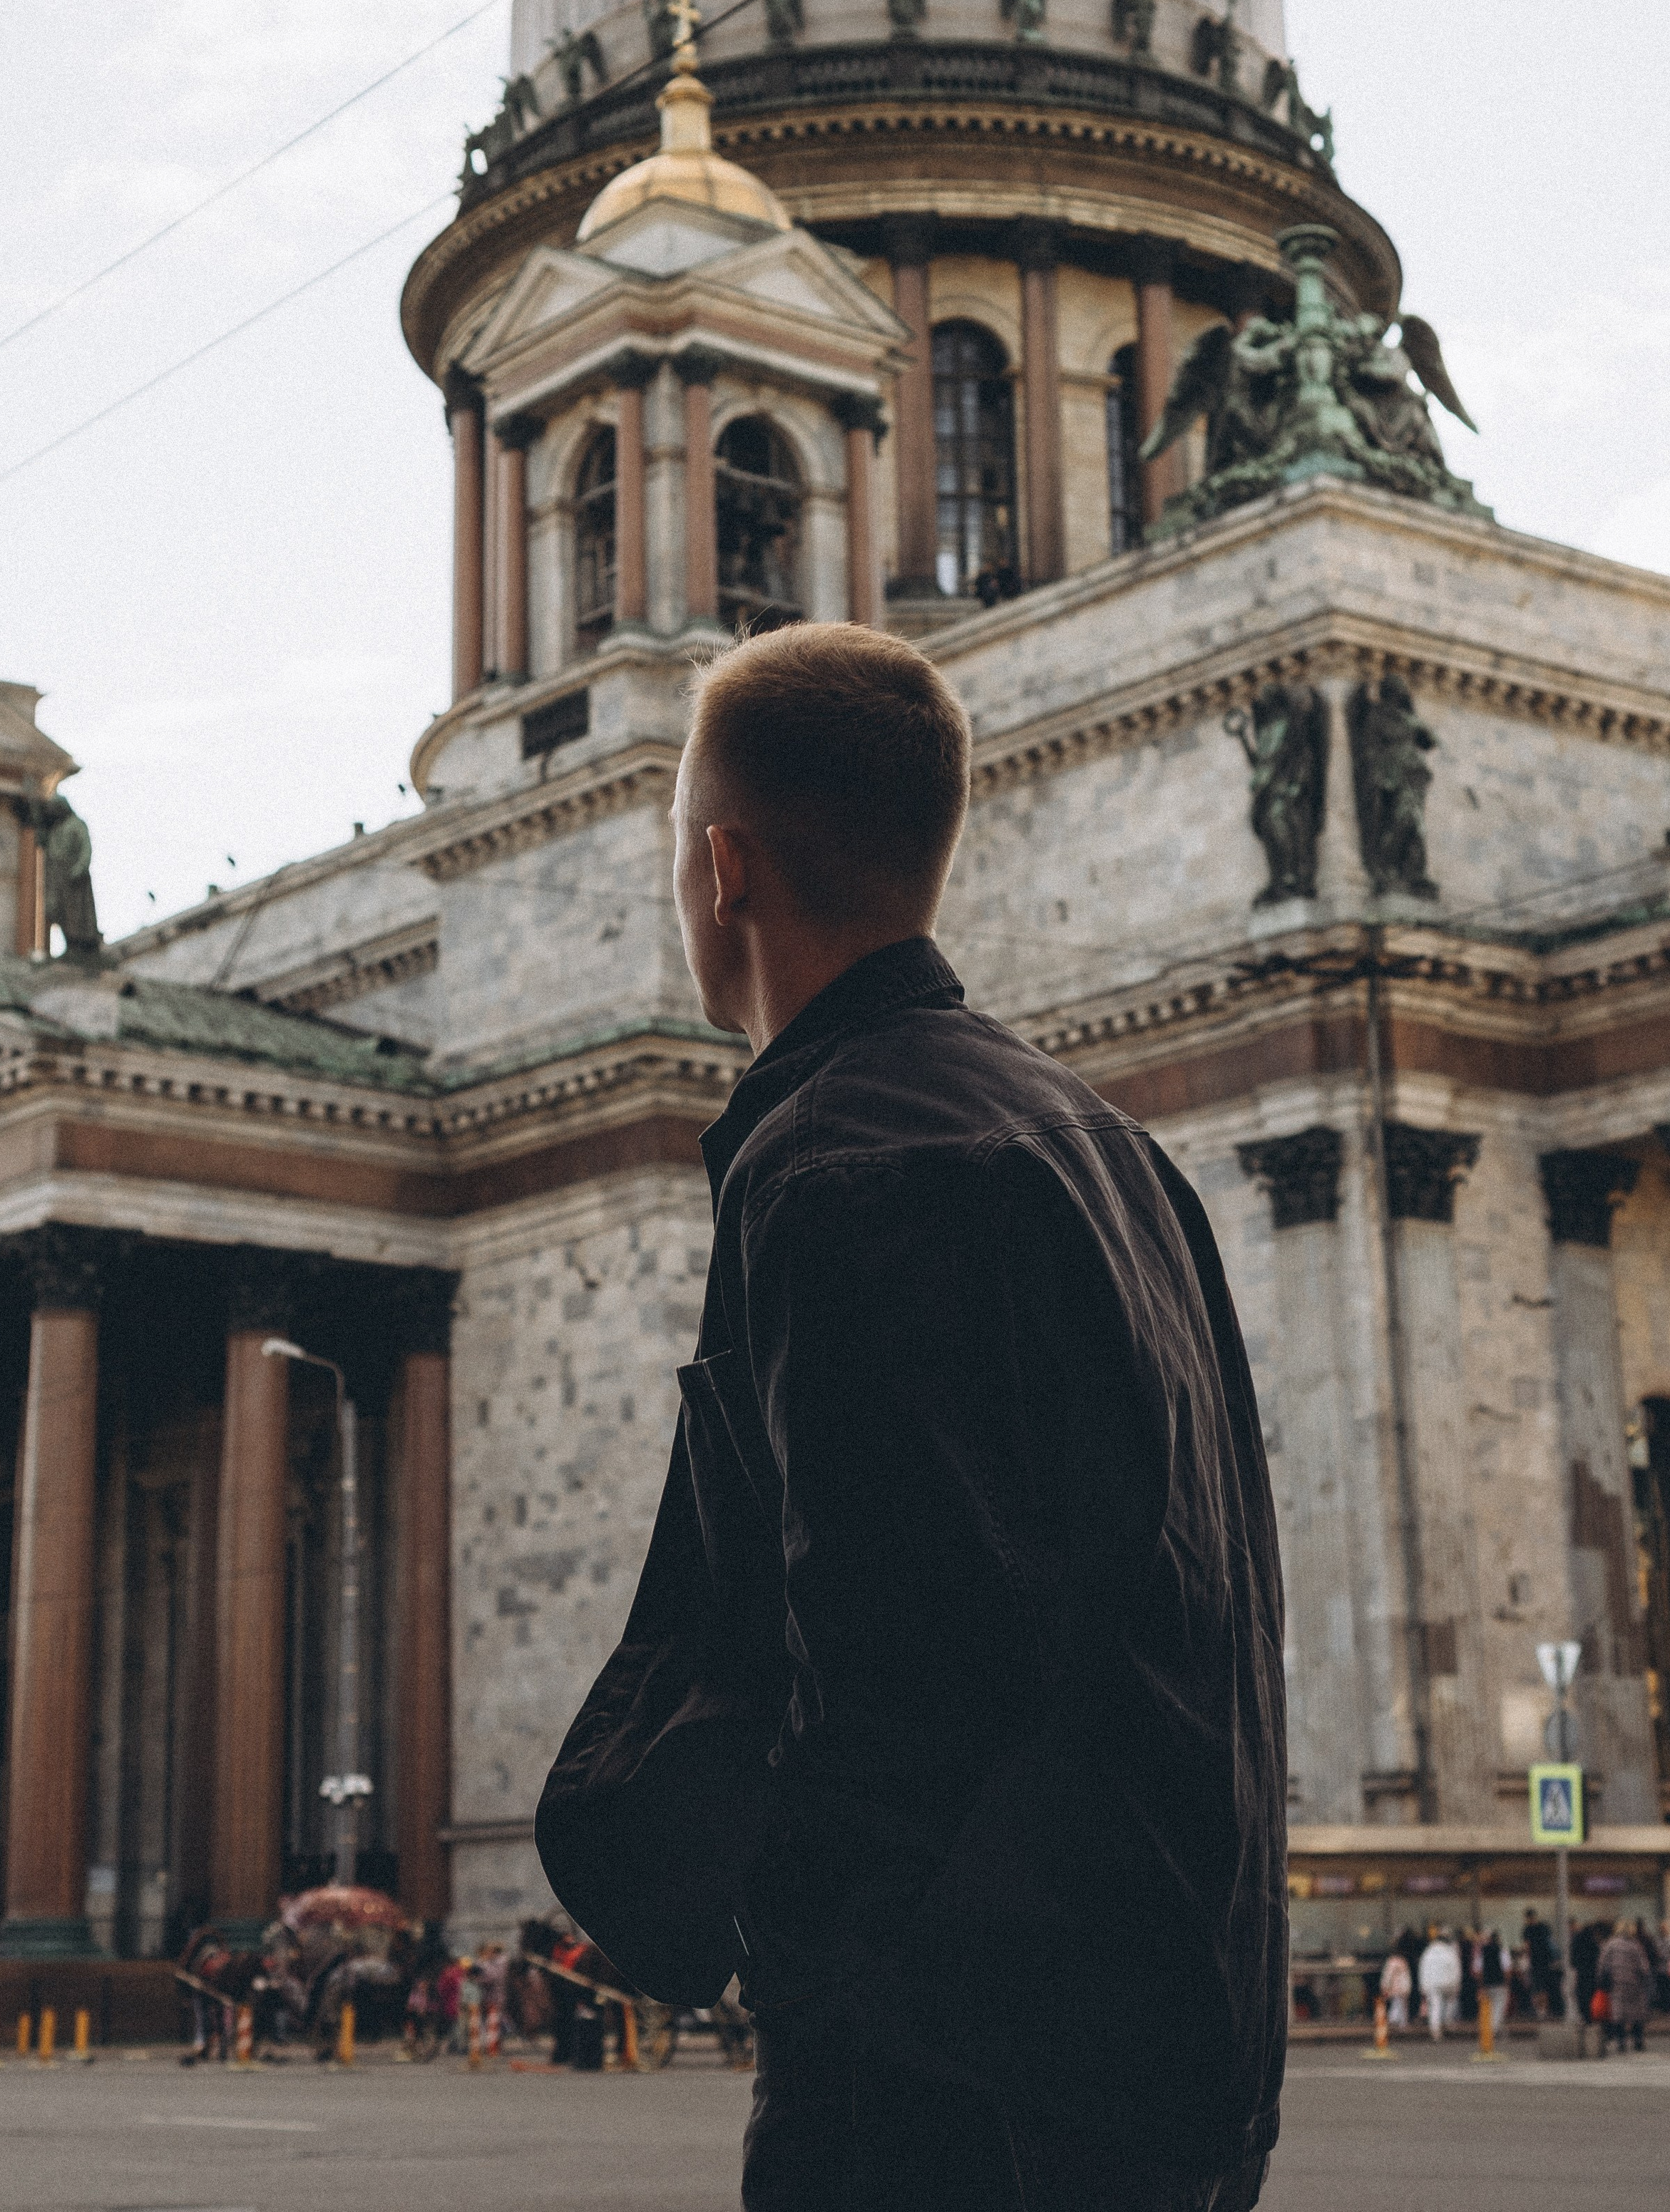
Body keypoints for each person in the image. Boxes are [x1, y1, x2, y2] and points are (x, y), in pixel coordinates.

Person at [537, 624, 1288, 2212]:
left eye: (679, 845)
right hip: (1167, 2054)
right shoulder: (1098, 1144)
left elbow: (896, 1671)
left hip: (955, 2093)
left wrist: (799, 1973)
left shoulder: (844, 1164)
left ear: (722, 868)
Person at [1596, 1921, 1651, 2053]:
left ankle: (1621, 2042)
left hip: (1617, 1984)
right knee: (1637, 2013)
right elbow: (1644, 1968)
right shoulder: (1636, 1946)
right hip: (1634, 1984)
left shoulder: (1610, 1945)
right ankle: (1638, 2041)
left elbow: (1602, 1964)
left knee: (1619, 2013)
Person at [1418, 1928, 1460, 2041]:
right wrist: (1457, 1984)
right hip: (1449, 1982)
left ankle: (1436, 2030)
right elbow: (1456, 1969)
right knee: (1449, 2005)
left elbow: (1423, 1969)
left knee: (1435, 2007)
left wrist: (1423, 1985)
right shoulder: (1450, 1952)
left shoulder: (1428, 1952)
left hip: (1432, 1984)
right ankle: (1447, 2023)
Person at [1521, 1907, 1562, 2020]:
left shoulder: (1528, 1929)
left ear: (1527, 1918)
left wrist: (1525, 1957)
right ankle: (1543, 2010)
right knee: (1544, 1987)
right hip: (1547, 1962)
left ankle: (1539, 2011)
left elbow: (1527, 1947)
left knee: (1536, 1987)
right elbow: (1551, 1943)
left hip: (1535, 1962)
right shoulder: (1544, 1927)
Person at [1480, 1928, 1509, 2041]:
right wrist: (1507, 1983)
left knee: (1491, 2009)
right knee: (1499, 2008)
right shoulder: (1502, 1950)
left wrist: (1482, 1985)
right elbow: (1506, 1969)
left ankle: (1497, 2030)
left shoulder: (1483, 1951)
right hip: (1499, 1983)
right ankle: (1493, 2031)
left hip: (1487, 1983)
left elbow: (1479, 1970)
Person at [1378, 1948, 1412, 2032]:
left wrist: (1385, 1986)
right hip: (1403, 1987)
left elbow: (1388, 1976)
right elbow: (1406, 1977)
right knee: (1402, 2006)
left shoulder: (1391, 1962)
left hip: (1393, 1987)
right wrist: (1407, 1988)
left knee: (1396, 2005)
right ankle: (1402, 2024)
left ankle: (1393, 2021)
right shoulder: (1404, 1962)